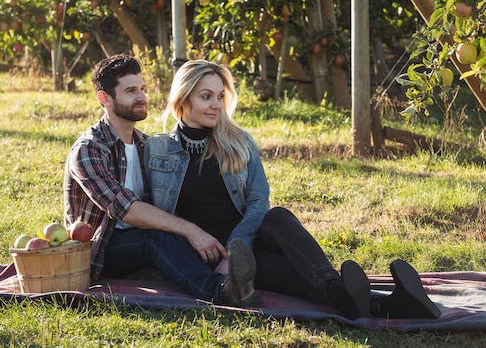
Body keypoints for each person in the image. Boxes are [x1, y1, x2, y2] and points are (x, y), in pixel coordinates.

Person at [144, 59, 441, 319]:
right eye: (206, 96)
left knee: (277, 216)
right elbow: (153, 213)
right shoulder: (156, 149)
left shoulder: (239, 142)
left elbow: (259, 200)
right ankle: (394, 307)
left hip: (248, 244)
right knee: (301, 277)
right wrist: (212, 253)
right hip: (203, 256)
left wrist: (235, 253)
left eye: (220, 96)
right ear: (183, 100)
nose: (216, 105)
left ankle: (348, 293)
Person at [63, 53, 262, 308]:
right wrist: (192, 231)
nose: (142, 97)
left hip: (153, 239)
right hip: (104, 248)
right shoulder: (89, 149)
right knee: (156, 239)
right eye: (131, 91)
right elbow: (128, 210)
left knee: (167, 238)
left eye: (143, 88)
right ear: (105, 99)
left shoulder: (147, 144)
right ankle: (221, 292)